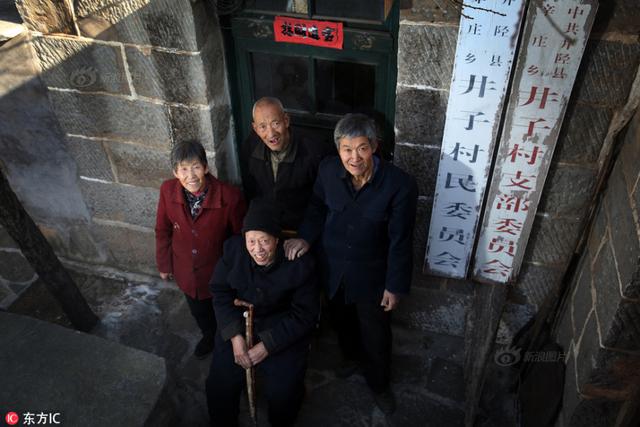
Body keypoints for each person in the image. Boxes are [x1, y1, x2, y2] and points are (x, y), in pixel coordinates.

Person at [284, 113, 418, 414]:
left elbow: (400, 241)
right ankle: (351, 357)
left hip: (372, 275)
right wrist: (305, 238)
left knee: (376, 333)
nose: (354, 157)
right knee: (341, 321)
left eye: (361, 148)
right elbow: (317, 207)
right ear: (338, 149)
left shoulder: (399, 186)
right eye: (347, 149)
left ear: (374, 147)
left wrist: (394, 286)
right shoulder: (328, 171)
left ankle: (379, 384)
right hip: (333, 269)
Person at [206, 200, 319, 427]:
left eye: (265, 241)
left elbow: (305, 315)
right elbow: (220, 292)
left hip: (282, 327)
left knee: (283, 392)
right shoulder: (233, 250)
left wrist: (268, 345)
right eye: (251, 241)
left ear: (277, 240)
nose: (257, 249)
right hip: (239, 322)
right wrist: (235, 337)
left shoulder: (298, 264)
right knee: (220, 385)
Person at [155, 140, 246, 359]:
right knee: (199, 312)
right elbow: (162, 229)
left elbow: (239, 239)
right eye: (183, 169)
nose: (191, 175)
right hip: (186, 271)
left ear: (205, 167)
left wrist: (235, 272)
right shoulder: (167, 191)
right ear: (175, 172)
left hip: (218, 273)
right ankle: (209, 337)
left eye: (196, 167)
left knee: (222, 312)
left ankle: (227, 343)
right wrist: (165, 264)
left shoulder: (230, 197)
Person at [241, 96, 334, 233]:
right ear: (255, 129)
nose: (271, 133)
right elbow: (251, 193)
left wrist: (306, 236)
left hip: (303, 229)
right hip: (268, 229)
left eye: (275, 123)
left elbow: (323, 201)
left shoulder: (313, 151)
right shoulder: (250, 147)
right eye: (263, 127)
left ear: (286, 120)